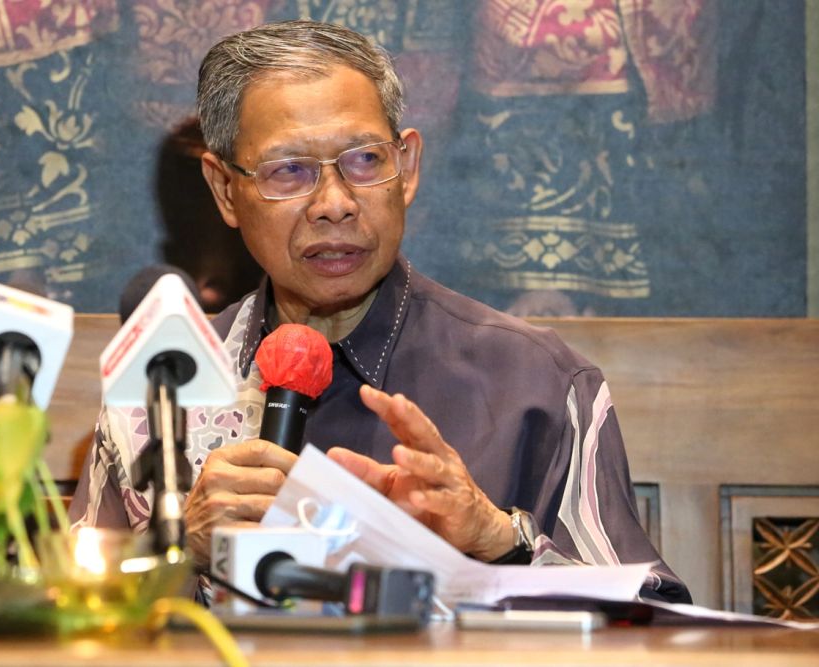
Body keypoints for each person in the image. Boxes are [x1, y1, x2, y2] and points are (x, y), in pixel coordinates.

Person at [69, 19, 690, 604]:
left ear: (407, 168)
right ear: (226, 190)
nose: (335, 204)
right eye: (289, 171)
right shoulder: (162, 383)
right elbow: (72, 626)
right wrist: (181, 552)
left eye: (365, 160)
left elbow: (652, 626)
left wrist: (499, 541)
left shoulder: (541, 383)